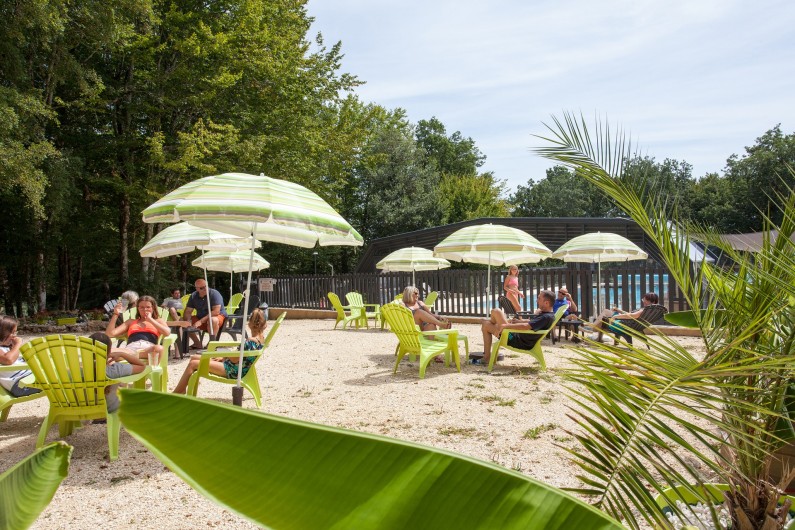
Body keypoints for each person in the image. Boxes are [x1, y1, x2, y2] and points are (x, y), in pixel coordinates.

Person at [173, 308, 267, 394]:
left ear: (250, 324)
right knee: (194, 357)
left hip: (233, 370)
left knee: (193, 364)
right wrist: (223, 357)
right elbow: (238, 358)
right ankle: (183, 388)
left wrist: (225, 353)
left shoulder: (250, 341)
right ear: (264, 325)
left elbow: (234, 359)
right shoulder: (261, 340)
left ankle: (177, 392)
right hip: (237, 367)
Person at [478, 290, 556, 366]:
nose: (537, 300)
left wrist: (506, 326)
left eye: (539, 298)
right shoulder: (547, 315)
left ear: (546, 303)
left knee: (493, 316)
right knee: (492, 317)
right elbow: (531, 323)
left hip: (515, 340)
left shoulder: (546, 317)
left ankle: (487, 357)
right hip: (517, 336)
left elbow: (526, 327)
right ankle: (487, 355)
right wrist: (519, 321)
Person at [88, 332, 147, 413]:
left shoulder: (78, 370)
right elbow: (141, 366)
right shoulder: (114, 370)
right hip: (111, 409)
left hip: (87, 408)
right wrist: (122, 354)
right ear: (109, 352)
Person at [105, 295, 169, 361]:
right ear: (138, 309)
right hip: (130, 349)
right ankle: (131, 356)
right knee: (106, 352)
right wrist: (115, 314)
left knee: (159, 348)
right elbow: (109, 334)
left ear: (153, 308)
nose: (145, 310)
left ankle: (130, 356)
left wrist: (150, 320)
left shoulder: (158, 321)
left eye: (148, 307)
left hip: (148, 349)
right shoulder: (130, 322)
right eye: (142, 307)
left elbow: (167, 332)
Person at [590, 292, 659, 342]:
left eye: (644, 300)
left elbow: (632, 315)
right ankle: (593, 329)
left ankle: (592, 328)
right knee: (608, 314)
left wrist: (616, 316)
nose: (643, 301)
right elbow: (631, 315)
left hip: (624, 325)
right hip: (631, 324)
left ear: (648, 300)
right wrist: (619, 310)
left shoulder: (645, 309)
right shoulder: (652, 310)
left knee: (605, 313)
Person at [0, 316, 41, 397]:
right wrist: (18, 344)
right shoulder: (5, 353)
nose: (14, 336)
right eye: (12, 332)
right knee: (66, 378)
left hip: (28, 380)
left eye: (15, 332)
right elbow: (8, 360)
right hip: (21, 385)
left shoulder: (5, 349)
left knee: (67, 375)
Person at [183, 279, 228, 349]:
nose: (205, 289)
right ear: (197, 289)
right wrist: (188, 320)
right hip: (201, 318)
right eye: (201, 288)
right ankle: (197, 343)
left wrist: (200, 321)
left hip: (217, 318)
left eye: (206, 286)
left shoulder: (214, 294)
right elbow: (188, 311)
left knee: (212, 320)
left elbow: (216, 312)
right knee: (182, 321)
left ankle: (212, 343)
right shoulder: (193, 296)